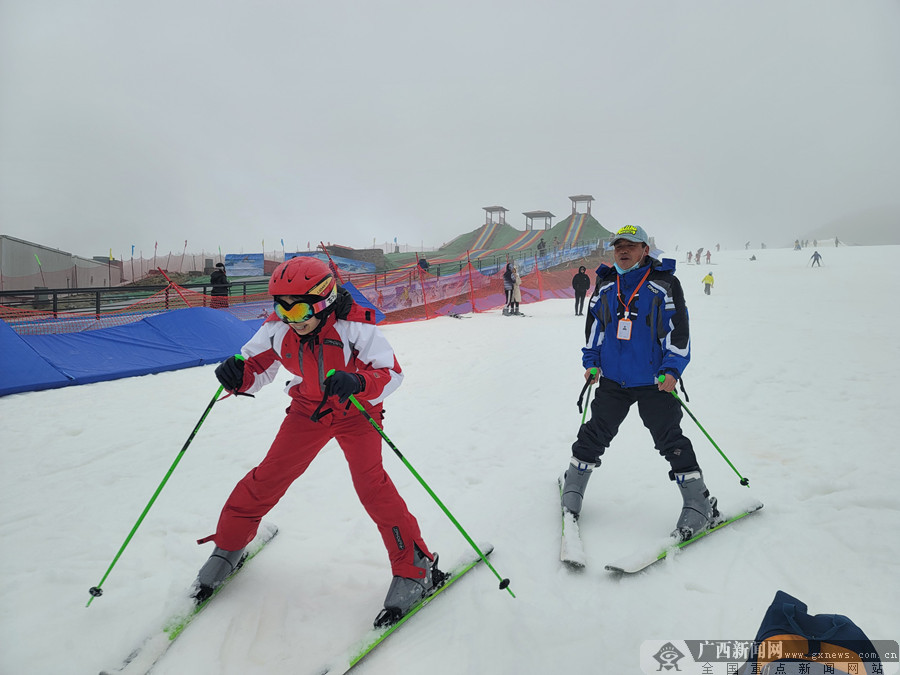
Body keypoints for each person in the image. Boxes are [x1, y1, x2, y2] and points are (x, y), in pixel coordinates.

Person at [198, 257, 439, 627]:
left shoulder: (354, 327)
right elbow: (255, 367)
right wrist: (235, 374)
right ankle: (230, 544)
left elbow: (391, 373)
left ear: (324, 299)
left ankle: (415, 564)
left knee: (371, 487)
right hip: (308, 410)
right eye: (281, 306)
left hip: (357, 411)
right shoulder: (279, 327)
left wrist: (359, 383)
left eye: (298, 307)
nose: (291, 316)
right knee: (268, 477)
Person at [559, 224, 718, 542]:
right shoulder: (605, 283)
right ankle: (573, 484)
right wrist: (591, 363)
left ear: (645, 250)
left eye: (631, 245)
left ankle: (699, 503)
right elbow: (595, 329)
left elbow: (679, 331)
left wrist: (672, 369)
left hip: (654, 380)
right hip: (614, 379)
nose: (623, 250)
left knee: (669, 438)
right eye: (619, 245)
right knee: (594, 433)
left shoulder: (664, 283)